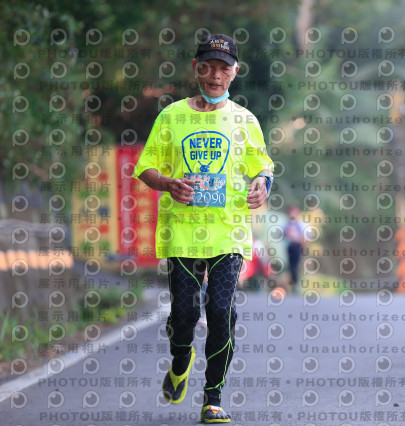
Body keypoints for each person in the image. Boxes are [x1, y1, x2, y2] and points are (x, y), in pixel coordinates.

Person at [133, 33, 274, 424]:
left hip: (229, 231)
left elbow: (263, 166)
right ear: (196, 69)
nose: (215, 76)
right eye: (207, 67)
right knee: (183, 314)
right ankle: (181, 359)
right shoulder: (172, 116)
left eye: (223, 69)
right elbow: (145, 167)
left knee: (221, 310)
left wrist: (262, 184)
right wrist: (167, 184)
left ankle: (213, 397)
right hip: (181, 231)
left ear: (235, 72)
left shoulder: (245, 120)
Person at [284, 205, 304, 291]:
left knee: (296, 265)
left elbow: (303, 236)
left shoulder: (300, 224)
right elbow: (283, 234)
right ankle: (293, 283)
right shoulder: (287, 224)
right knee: (291, 266)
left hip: (297, 246)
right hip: (290, 246)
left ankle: (296, 283)